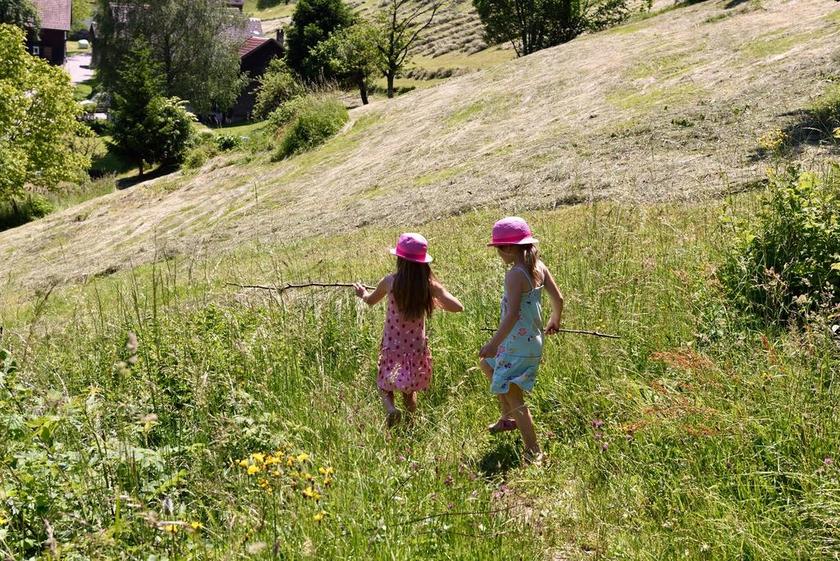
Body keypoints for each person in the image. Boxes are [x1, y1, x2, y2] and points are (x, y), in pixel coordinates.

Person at [355, 233, 463, 427]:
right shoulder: (429, 286)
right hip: (415, 349)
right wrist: (435, 298)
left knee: (383, 384)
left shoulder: (390, 282)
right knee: (409, 390)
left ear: (400, 260)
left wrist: (362, 293)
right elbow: (458, 307)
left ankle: (390, 409)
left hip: (391, 346)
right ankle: (410, 424)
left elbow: (370, 301)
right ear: (424, 264)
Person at [479, 217, 564, 462]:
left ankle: (533, 451)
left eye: (498, 249)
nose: (498, 254)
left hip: (515, 344)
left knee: (516, 397)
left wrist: (494, 343)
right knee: (487, 366)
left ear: (507, 248)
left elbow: (514, 314)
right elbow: (558, 299)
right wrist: (554, 320)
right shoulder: (539, 268)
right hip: (531, 342)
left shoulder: (515, 275)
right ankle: (507, 419)